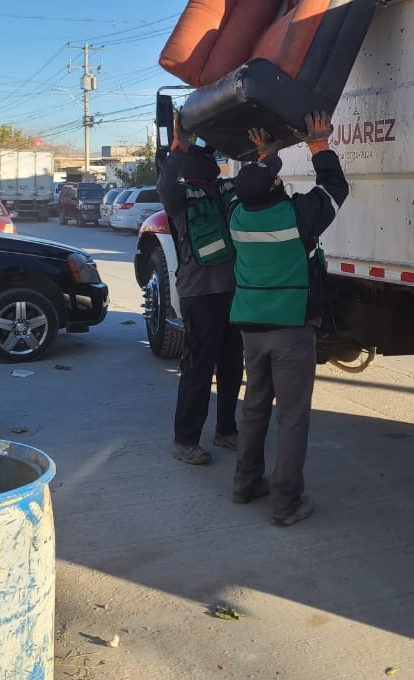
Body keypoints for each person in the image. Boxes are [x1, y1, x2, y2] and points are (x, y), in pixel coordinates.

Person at [228, 111, 349, 527]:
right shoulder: (297, 217)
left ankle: (245, 482)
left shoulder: (236, 217)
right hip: (291, 330)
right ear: (276, 187)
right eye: (277, 179)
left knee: (255, 407)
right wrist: (318, 145)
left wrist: (265, 157)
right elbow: (335, 187)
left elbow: (254, 186)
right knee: (292, 416)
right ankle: (286, 502)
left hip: (251, 330)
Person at [157, 110, 243, 466]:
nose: (212, 163)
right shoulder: (180, 196)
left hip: (233, 291)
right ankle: (185, 439)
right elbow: (164, 185)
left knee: (231, 365)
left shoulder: (226, 190)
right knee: (198, 367)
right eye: (204, 156)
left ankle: (226, 430)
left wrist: (260, 150)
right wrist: (177, 148)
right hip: (200, 293)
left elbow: (257, 179)